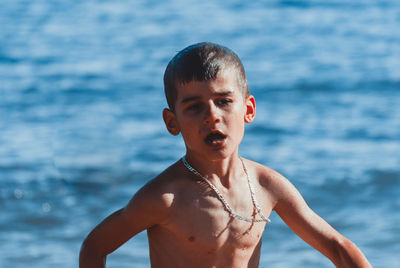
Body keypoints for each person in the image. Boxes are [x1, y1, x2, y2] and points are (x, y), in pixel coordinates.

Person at [79, 42, 371, 267]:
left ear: (248, 110)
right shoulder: (165, 198)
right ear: (173, 122)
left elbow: (336, 246)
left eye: (223, 102)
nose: (211, 116)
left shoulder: (267, 186)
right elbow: (96, 245)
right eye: (194, 107)